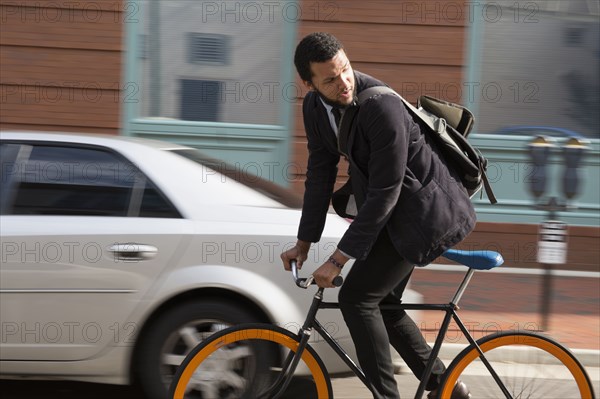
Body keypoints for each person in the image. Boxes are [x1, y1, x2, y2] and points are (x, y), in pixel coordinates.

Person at [280, 32, 475, 399]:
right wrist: (304, 242)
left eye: (346, 70)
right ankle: (446, 387)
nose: (344, 83)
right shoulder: (314, 109)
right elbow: (320, 174)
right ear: (309, 84)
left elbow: (387, 190)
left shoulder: (380, 107)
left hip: (423, 214)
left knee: (357, 298)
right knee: (382, 302)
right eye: (330, 79)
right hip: (393, 212)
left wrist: (337, 261)